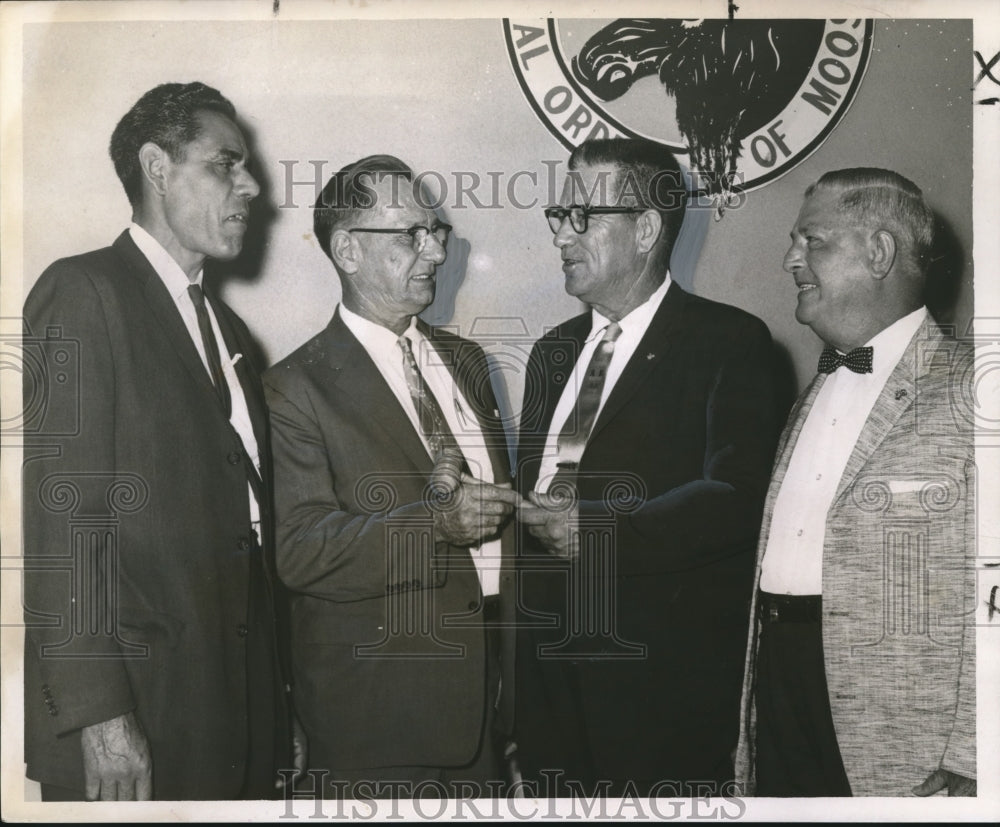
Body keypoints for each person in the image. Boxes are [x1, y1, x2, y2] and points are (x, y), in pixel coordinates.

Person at [22, 82, 292, 800]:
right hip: (138, 716)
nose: (251, 186)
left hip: (233, 713)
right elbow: (63, 525)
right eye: (225, 164)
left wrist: (274, 703)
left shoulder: (228, 330)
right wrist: (99, 714)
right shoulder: (84, 291)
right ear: (157, 167)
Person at [514, 137, 779, 797]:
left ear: (646, 229)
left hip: (658, 704)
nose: (562, 235)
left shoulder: (730, 342)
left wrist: (601, 533)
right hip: (548, 694)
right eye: (559, 215)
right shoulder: (551, 353)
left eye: (583, 216)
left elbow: (737, 495)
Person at [263, 156, 519, 798]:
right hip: (378, 726)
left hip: (489, 714)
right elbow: (300, 550)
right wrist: (435, 527)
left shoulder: (468, 361)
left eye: (436, 232)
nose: (436, 251)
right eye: (411, 234)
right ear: (347, 249)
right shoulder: (295, 387)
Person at [734, 168, 976, 797]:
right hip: (781, 691)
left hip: (901, 734)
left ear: (879, 252)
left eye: (811, 240)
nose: (790, 260)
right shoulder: (811, 393)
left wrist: (976, 750)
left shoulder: (973, 389)